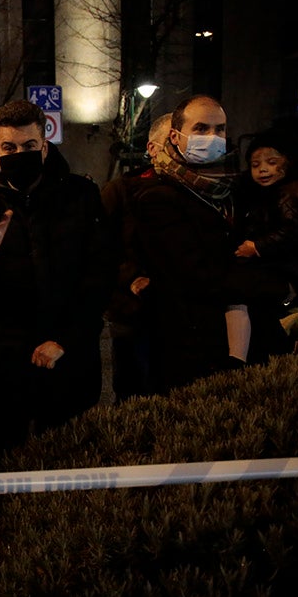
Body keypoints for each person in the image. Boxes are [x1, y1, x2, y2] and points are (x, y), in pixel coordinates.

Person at [0, 99, 114, 455]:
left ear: (44, 147)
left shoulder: (81, 196)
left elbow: (100, 277)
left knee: (68, 469)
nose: (19, 154)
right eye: (9, 147)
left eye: (29, 146)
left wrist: (65, 341)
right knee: (5, 470)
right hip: (4, 367)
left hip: (69, 363)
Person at [132, 95, 288, 390]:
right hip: (193, 341)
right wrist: (273, 285)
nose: (212, 137)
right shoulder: (157, 197)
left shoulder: (234, 187)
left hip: (248, 336)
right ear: (176, 137)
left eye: (220, 129)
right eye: (201, 128)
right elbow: (194, 275)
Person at [234, 131, 298, 350]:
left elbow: (294, 230)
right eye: (255, 164)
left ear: (287, 163)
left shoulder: (291, 193)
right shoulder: (264, 195)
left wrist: (256, 247)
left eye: (271, 162)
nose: (263, 169)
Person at [101, 113, 172, 400]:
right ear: (152, 148)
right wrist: (130, 277)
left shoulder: (204, 191)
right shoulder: (121, 190)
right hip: (133, 313)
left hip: (183, 316)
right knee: (135, 392)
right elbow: (101, 248)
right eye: (171, 141)